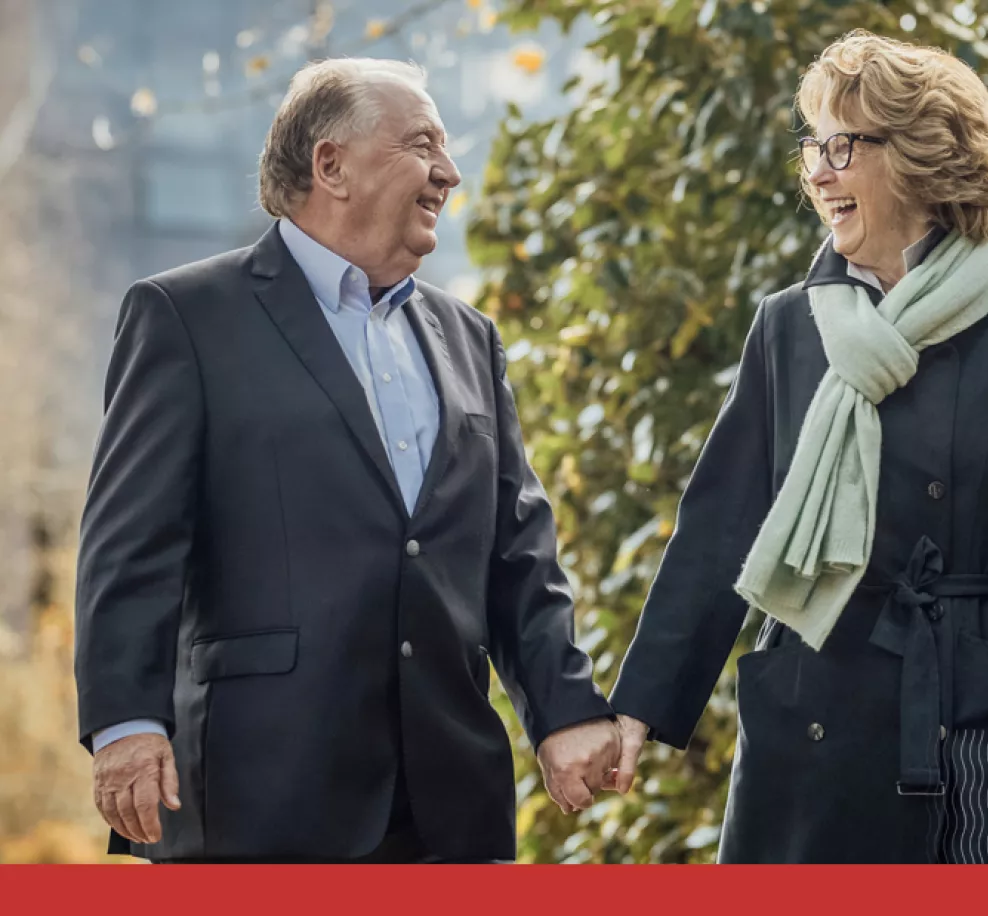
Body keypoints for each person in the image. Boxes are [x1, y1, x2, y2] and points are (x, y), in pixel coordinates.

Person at [608, 31, 988, 864]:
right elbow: (718, 530)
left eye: (840, 146)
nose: (817, 172)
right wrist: (636, 711)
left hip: (978, 719)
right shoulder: (789, 324)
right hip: (811, 712)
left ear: (921, 157)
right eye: (811, 148)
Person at [74, 58, 619, 864]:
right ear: (330, 164)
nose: (449, 171)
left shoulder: (470, 338)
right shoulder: (185, 317)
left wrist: (565, 708)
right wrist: (127, 722)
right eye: (422, 144)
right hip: (259, 797)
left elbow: (517, 551)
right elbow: (131, 543)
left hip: (448, 802)